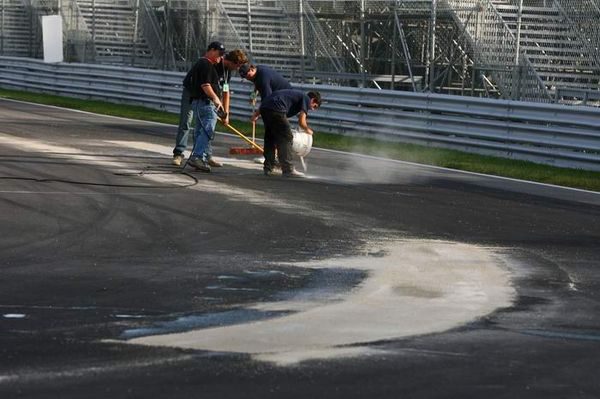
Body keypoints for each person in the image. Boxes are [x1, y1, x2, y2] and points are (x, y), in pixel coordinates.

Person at [171, 44, 248, 167]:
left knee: (205, 125)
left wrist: (225, 113)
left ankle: (206, 156)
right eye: (237, 65)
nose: (237, 69)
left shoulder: (227, 71)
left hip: (208, 95)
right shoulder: (212, 62)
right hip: (192, 91)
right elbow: (206, 84)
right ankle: (179, 153)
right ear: (231, 61)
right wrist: (215, 99)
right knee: (186, 121)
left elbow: (226, 91)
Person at [252, 89, 322, 178]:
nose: (312, 109)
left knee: (270, 138)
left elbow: (268, 101)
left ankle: (268, 168)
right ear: (313, 100)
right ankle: (288, 169)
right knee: (287, 137)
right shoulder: (306, 98)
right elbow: (301, 121)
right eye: (314, 106)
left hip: (265, 108)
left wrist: (256, 114)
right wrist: (308, 130)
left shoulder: (294, 96)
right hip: (276, 109)